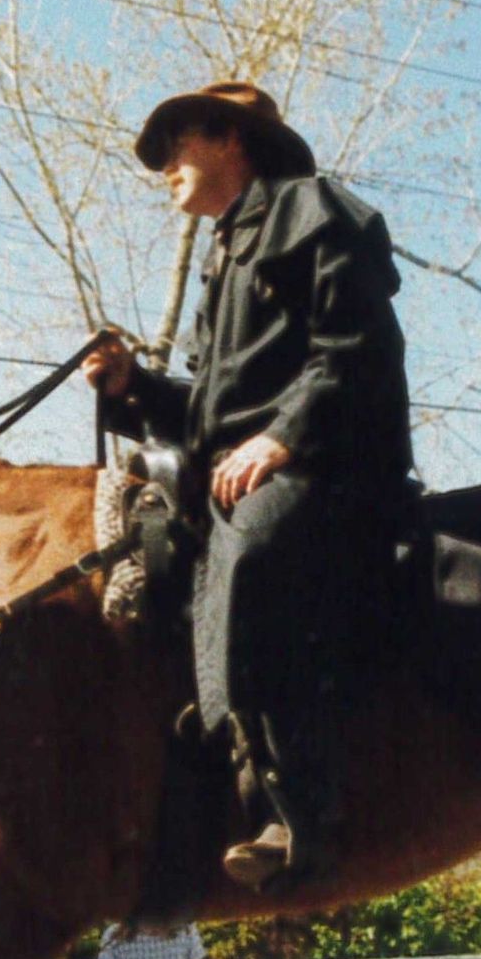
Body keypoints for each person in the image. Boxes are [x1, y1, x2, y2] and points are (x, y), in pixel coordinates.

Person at [84, 81, 416, 894]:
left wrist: (280, 438)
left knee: (254, 545)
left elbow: (357, 350)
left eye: (176, 144)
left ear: (229, 139)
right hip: (253, 463)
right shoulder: (224, 254)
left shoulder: (312, 210)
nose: (164, 167)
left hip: (332, 466)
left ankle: (297, 814)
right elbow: (207, 414)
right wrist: (131, 387)